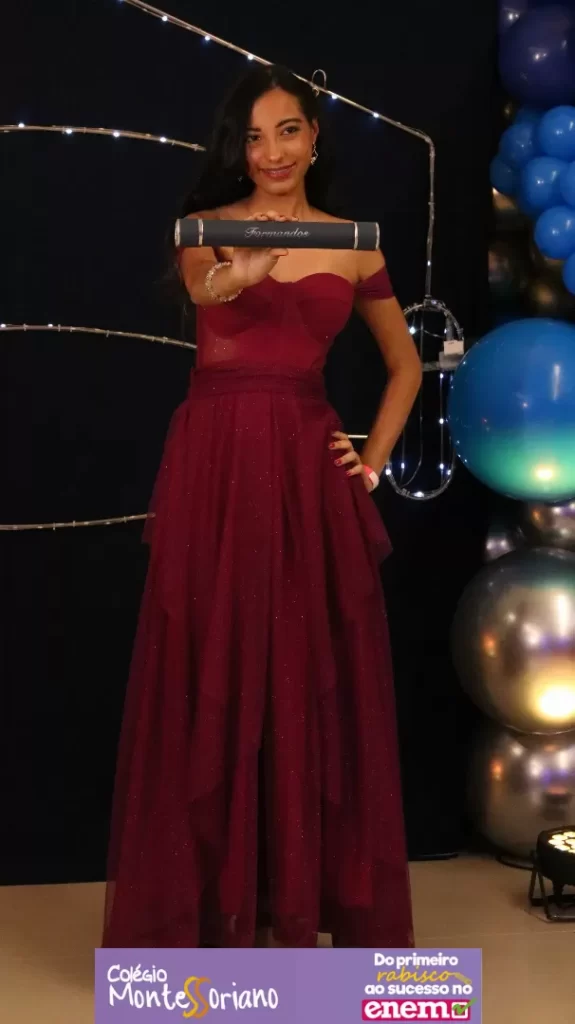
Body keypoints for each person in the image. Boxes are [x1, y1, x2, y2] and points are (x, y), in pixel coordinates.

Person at [102, 63, 421, 950]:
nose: (269, 152)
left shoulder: (355, 244)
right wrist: (233, 274)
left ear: (314, 137)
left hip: (304, 471)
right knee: (211, 663)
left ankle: (294, 899)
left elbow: (404, 364)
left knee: (303, 671)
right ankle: (209, 906)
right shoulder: (204, 229)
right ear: (235, 148)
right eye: (251, 136)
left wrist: (371, 460)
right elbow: (205, 291)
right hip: (216, 463)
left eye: (285, 131)